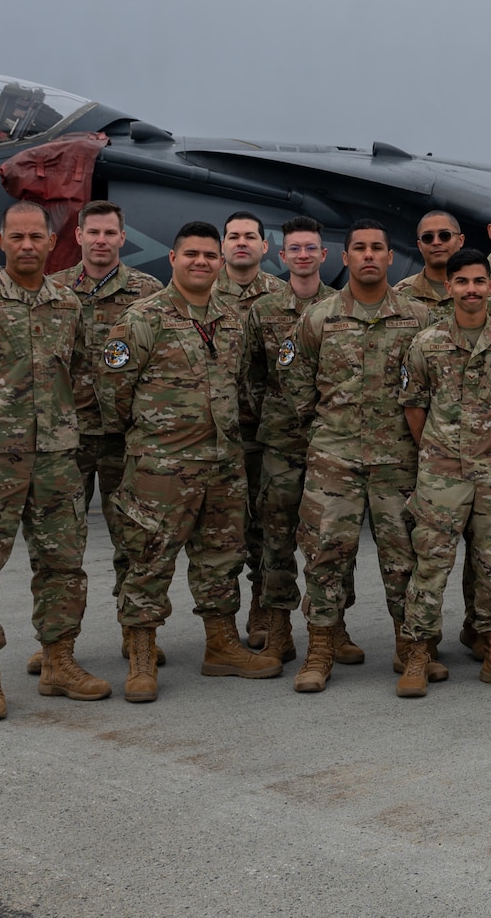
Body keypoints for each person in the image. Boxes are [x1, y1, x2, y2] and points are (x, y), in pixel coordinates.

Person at [0, 200, 109, 721]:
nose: (28, 245)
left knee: (63, 563)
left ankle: (59, 660)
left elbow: (79, 373)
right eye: (18, 237)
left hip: (56, 458)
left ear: (54, 243)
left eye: (37, 237)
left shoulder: (67, 305)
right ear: (2, 241)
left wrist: (64, 429)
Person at [101, 221, 282, 702]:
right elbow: (113, 394)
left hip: (223, 463)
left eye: (208, 255)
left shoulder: (234, 318)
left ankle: (221, 647)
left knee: (222, 558)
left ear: (220, 263)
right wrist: (155, 439)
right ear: (172, 259)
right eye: (191, 255)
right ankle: (141, 654)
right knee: (148, 558)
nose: (200, 262)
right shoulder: (143, 318)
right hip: (161, 467)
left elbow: (240, 380)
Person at [281, 219, 432, 693]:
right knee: (326, 556)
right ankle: (321, 647)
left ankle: (410, 649)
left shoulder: (418, 318)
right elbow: (295, 382)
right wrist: (326, 428)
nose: (369, 255)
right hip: (335, 461)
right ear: (344, 258)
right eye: (359, 248)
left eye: (378, 248)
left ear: (391, 258)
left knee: (404, 558)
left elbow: (436, 384)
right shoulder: (319, 318)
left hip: (399, 460)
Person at [30, 200, 163, 677]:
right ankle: (56, 640)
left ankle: (136, 631)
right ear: (79, 238)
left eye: (111, 233)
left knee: (135, 540)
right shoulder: (53, 290)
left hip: (125, 439)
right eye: (94, 233)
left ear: (123, 239)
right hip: (66, 441)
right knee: (59, 545)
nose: (102, 240)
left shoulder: (149, 293)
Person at [396, 249, 491, 696]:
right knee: (431, 563)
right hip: (440, 474)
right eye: (463, 282)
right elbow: (415, 406)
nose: (471, 289)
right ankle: (418, 652)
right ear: (450, 286)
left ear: (490, 286)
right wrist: (440, 451)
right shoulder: (426, 343)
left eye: (479, 281)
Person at [242, 217, 337, 665]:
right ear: (281, 256)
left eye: (310, 248)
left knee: (332, 540)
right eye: (294, 249)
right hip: (280, 446)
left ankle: (333, 628)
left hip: (332, 447)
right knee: (275, 537)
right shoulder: (263, 310)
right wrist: (274, 418)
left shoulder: (341, 308)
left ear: (324, 255)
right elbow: (252, 376)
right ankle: (278, 626)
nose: (302, 255)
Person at [214, 211, 297, 652]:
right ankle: (221, 624)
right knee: (227, 527)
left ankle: (263, 606)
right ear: (222, 245)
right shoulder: (203, 296)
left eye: (250, 236)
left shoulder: (284, 297)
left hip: (269, 433)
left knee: (268, 524)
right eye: (233, 236)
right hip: (220, 432)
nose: (241, 243)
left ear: (265, 247)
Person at [395, 210, 464, 309]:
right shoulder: (399, 295)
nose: (436, 242)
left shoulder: (486, 291)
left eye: (445, 235)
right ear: (419, 245)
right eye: (427, 237)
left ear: (460, 240)